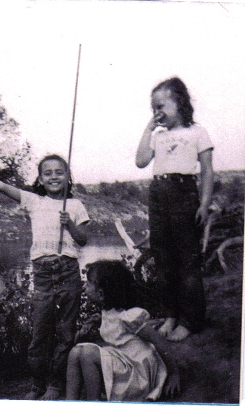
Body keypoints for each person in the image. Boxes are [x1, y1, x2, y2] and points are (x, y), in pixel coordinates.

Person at [0, 154, 90, 400]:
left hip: (68, 270)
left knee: (66, 332)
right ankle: (37, 384)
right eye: (47, 173)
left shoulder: (76, 205)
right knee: (40, 332)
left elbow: (83, 239)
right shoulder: (34, 201)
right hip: (43, 273)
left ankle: (56, 385)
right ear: (39, 179)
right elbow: (3, 186)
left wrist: (69, 223)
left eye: (59, 172)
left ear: (68, 176)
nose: (54, 176)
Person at [135, 77, 214, 341]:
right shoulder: (158, 136)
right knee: (163, 259)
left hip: (184, 193)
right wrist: (148, 128)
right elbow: (140, 161)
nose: (157, 112)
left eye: (161, 106)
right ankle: (170, 315)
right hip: (158, 195)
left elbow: (207, 171)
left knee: (187, 259)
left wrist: (203, 203)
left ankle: (191, 320)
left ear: (179, 102)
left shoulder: (197, 132)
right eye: (152, 108)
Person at [66, 260, 180, 401]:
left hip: (136, 373)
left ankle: (93, 401)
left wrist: (174, 374)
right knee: (75, 352)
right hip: (122, 362)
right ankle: (70, 402)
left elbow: (158, 341)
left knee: (87, 354)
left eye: (88, 283)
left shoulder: (129, 318)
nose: (84, 287)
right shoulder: (109, 313)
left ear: (101, 294)